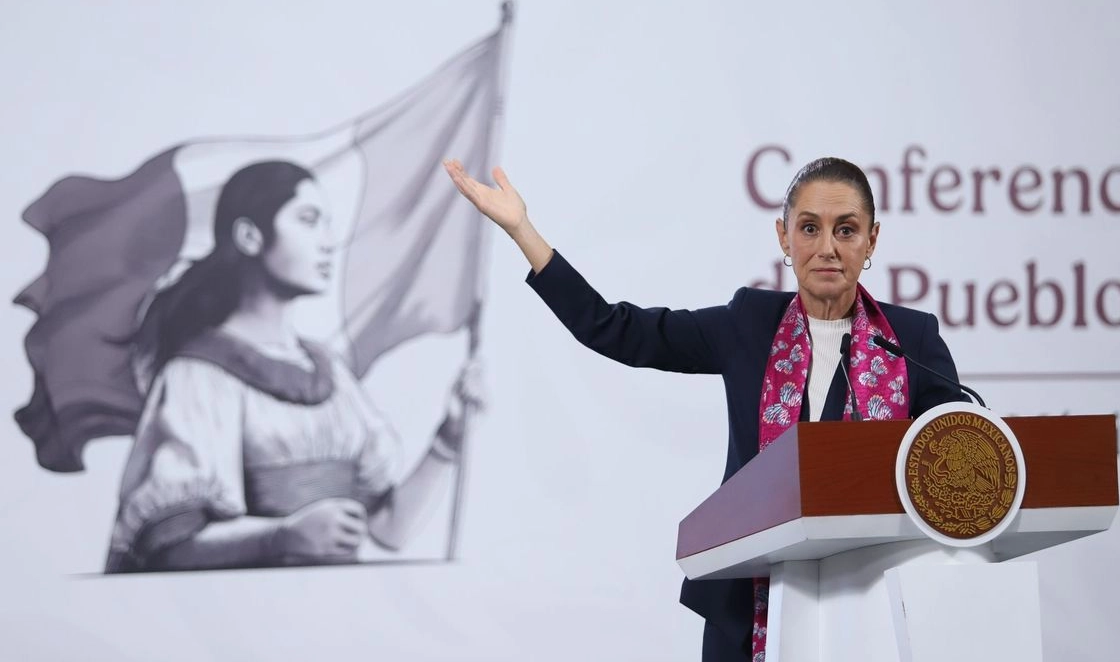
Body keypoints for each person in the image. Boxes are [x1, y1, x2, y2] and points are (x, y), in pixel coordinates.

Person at [442, 155, 967, 662]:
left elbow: (957, 451)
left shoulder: (910, 339)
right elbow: (616, 329)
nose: (827, 247)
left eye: (846, 230)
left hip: (869, 606)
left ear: (872, 239)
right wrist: (522, 232)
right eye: (809, 228)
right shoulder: (749, 324)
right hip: (748, 609)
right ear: (784, 237)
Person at [106, 160, 474, 573]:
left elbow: (390, 529)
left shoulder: (330, 373)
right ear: (249, 236)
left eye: (327, 223)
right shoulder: (199, 376)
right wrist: (281, 536)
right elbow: (169, 548)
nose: (329, 242)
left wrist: (449, 437)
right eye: (308, 220)